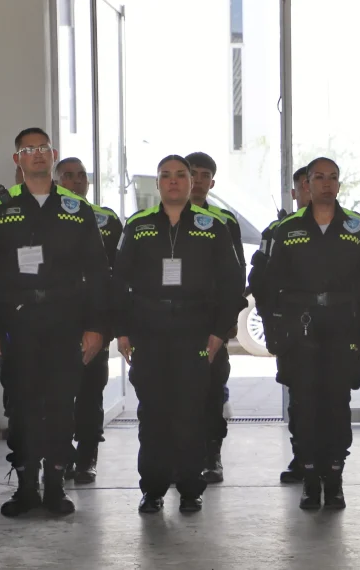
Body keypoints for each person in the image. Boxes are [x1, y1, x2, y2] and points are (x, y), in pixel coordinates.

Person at [0, 127, 110, 517]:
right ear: (18, 160)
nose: (36, 155)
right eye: (28, 150)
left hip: (66, 322)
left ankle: (55, 485)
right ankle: (26, 485)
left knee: (62, 405)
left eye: (42, 148)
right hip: (19, 324)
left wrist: (96, 325)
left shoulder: (77, 210)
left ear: (53, 154)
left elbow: (99, 273)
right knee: (25, 405)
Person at [113, 155, 245, 514]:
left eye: (180, 175)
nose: (173, 181)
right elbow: (117, 281)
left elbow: (234, 283)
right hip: (149, 331)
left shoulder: (212, 225)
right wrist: (122, 331)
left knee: (191, 412)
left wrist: (219, 332)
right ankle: (153, 488)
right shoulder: (137, 225)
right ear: (157, 184)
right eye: (165, 176)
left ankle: (190, 488)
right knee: (153, 413)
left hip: (195, 332)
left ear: (191, 183)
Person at [258, 157, 360, 510]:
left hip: (342, 329)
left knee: (336, 407)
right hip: (301, 330)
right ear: (307, 186)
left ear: (338, 186)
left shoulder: (357, 228)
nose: (326, 184)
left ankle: (335, 477)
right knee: (306, 406)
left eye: (332, 178)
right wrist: (277, 328)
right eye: (319, 178)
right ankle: (311, 479)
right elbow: (269, 285)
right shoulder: (287, 229)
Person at [54, 157, 123, 484]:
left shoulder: (107, 220)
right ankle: (60, 456)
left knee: (91, 392)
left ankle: (87, 457)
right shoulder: (45, 216)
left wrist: (110, 324)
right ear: (56, 181)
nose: (76, 181)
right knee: (57, 393)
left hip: (95, 321)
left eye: (82, 176)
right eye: (68, 176)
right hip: (54, 322)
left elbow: (119, 274)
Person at [185, 151, 247, 485]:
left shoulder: (224, 221)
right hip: (170, 324)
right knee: (174, 396)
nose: (198, 180)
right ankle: (179, 459)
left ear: (212, 181)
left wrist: (229, 316)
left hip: (211, 323)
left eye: (204, 174)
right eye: (191, 172)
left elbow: (237, 273)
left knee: (211, 393)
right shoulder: (162, 218)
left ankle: (212, 457)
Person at [248, 166, 312, 484]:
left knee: (334, 399)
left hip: (334, 329)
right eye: (303, 184)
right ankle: (302, 458)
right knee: (298, 399)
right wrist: (271, 319)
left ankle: (330, 466)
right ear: (295, 193)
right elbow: (259, 278)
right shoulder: (277, 231)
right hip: (292, 329)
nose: (309, 189)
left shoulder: (346, 227)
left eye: (313, 182)